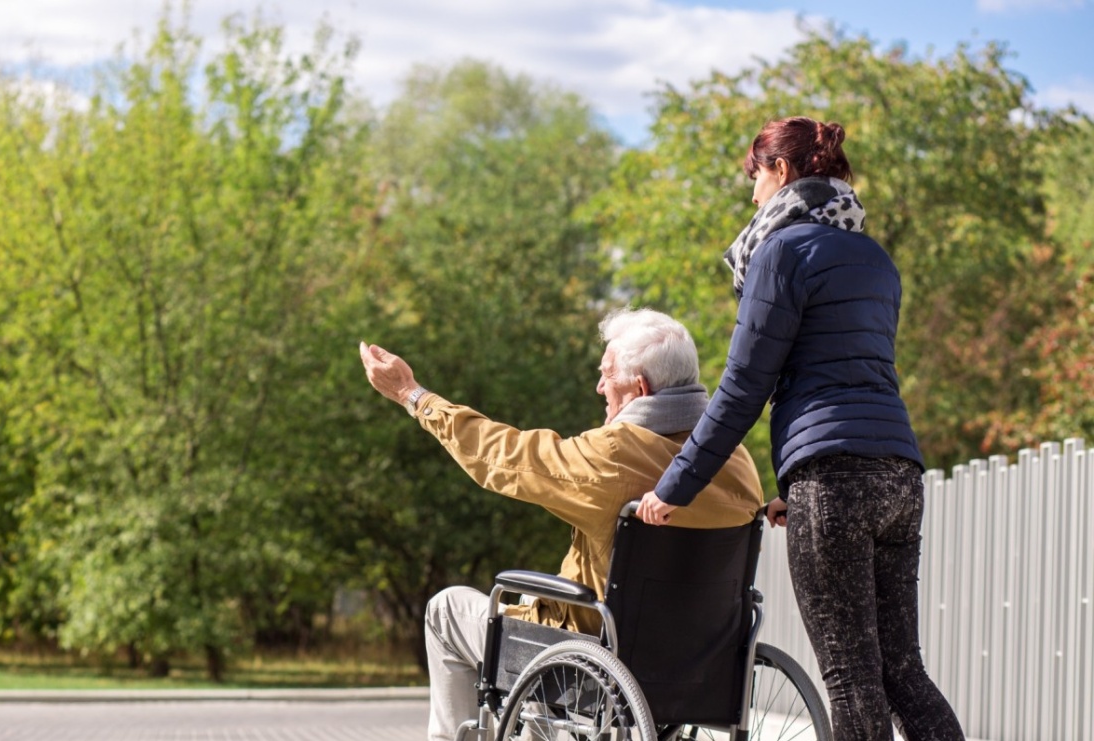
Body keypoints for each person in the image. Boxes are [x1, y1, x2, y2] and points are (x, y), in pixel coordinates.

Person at [636, 116, 964, 741]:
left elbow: (742, 388)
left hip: (835, 482)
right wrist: (802, 482)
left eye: (754, 177)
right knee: (902, 672)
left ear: (780, 171)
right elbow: (854, 378)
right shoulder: (874, 258)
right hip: (898, 476)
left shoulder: (782, 251)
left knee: (849, 676)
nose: (751, 194)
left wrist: (671, 489)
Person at [359, 307, 764, 741]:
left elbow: (504, 455)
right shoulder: (736, 461)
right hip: (700, 662)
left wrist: (414, 396)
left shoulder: (612, 455)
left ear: (640, 388)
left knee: (447, 609)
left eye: (607, 375)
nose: (599, 386)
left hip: (594, 658)